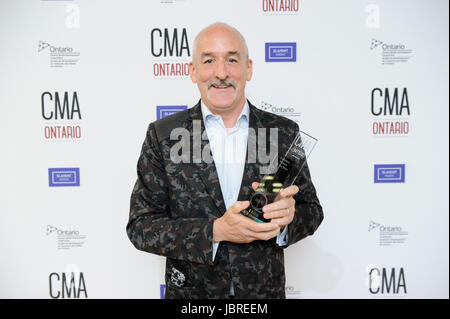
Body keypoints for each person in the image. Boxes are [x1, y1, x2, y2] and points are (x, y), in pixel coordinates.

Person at [126, 22, 323, 299]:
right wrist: (216, 230)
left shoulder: (282, 133)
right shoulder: (163, 136)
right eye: (209, 61)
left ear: (249, 68)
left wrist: (286, 220)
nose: (221, 73)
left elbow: (312, 211)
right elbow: (141, 227)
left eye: (232, 59)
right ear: (193, 71)